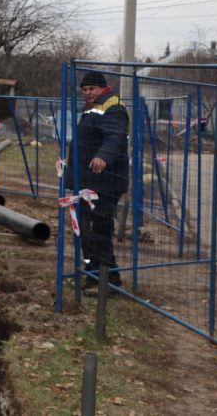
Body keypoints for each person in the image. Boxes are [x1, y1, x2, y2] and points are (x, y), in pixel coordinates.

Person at [75, 70, 129, 292]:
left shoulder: (113, 109)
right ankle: (92, 275)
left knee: (99, 232)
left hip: (105, 183)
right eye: (85, 89)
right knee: (85, 232)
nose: (88, 93)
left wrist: (102, 157)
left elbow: (115, 137)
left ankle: (108, 280)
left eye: (92, 89)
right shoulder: (91, 109)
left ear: (103, 89)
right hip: (88, 182)